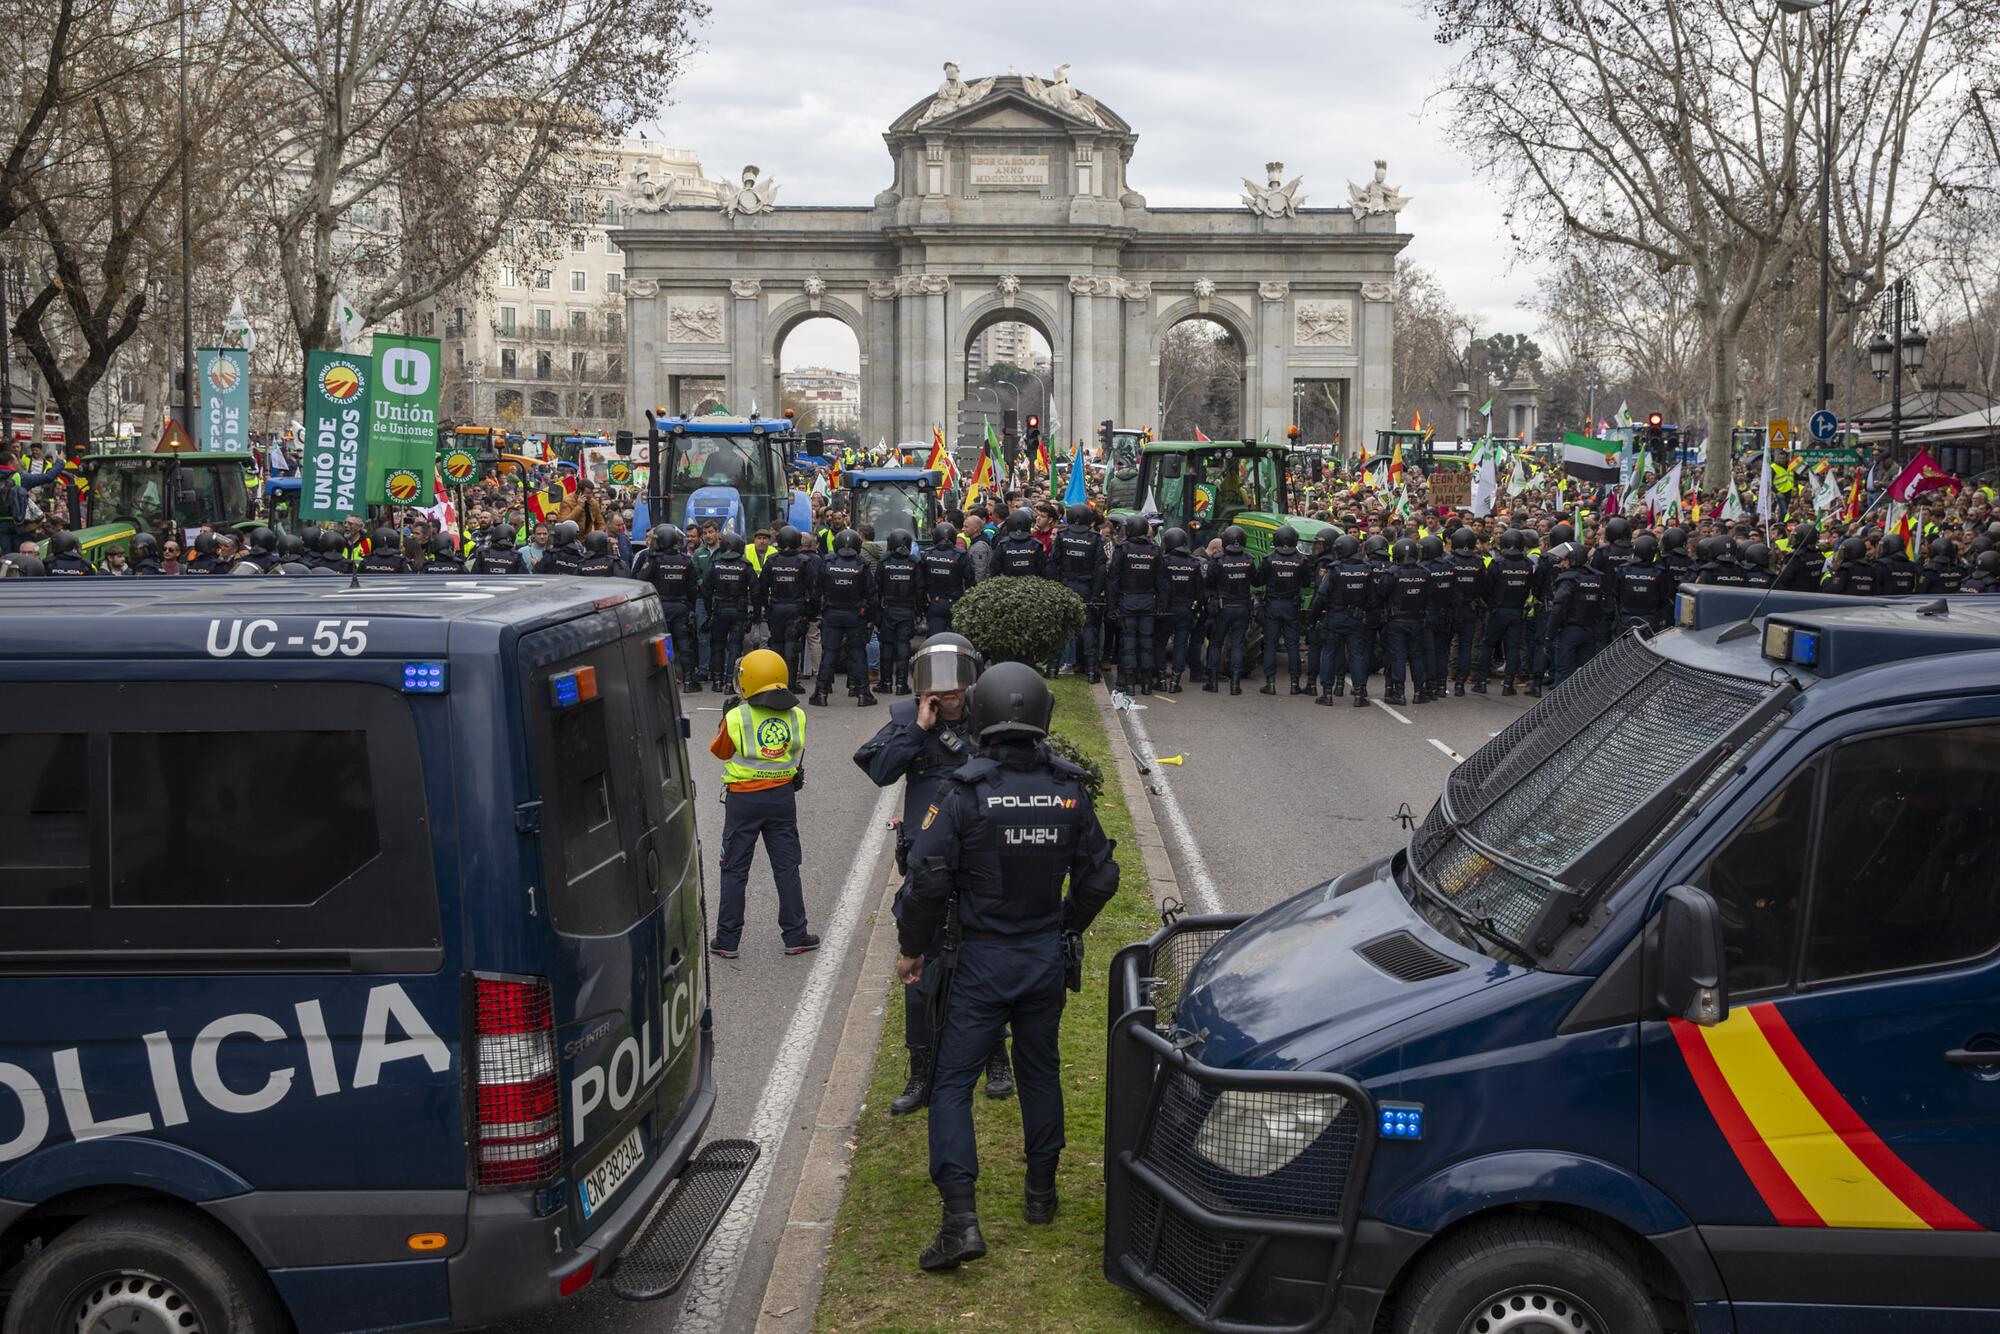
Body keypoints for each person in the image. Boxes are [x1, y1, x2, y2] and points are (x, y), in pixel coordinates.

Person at [899, 661, 1118, 1272]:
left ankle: (960, 1221)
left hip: (980, 962)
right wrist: (1067, 924)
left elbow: (925, 880)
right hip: (1042, 958)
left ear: (982, 715)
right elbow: (1101, 875)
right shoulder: (1070, 788)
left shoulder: (964, 792)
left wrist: (912, 949)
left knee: (950, 1084)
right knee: (1040, 1071)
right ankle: (1040, 1196)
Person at [852, 633, 1012, 1118]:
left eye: (955, 682)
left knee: (986, 964)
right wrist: (918, 730)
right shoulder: (908, 720)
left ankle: (995, 1057)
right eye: (936, 684)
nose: (947, 694)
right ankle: (921, 1068)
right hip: (926, 868)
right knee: (918, 969)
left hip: (981, 864)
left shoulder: (994, 719)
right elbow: (878, 770)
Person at [707, 648, 818, 958]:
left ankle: (727, 941)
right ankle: (795, 935)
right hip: (782, 799)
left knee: (734, 869)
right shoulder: (797, 714)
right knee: (786, 867)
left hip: (743, 801)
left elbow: (721, 751)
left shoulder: (737, 716)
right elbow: (795, 746)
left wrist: (725, 718)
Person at [1306, 533, 1375, 707]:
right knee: (1357, 655)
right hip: (1357, 618)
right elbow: (1373, 597)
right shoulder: (1366, 569)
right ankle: (1359, 695)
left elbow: (1321, 595)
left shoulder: (1334, 569)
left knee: (1328, 653)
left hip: (1335, 617)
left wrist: (1312, 618)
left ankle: (1327, 694)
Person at [632, 525, 702, 691]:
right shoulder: (685, 560)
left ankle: (662, 682)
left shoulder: (653, 560)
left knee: (659, 644)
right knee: (684, 644)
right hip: (680, 607)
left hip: (659, 607)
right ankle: (688, 681)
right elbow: (692, 587)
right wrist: (690, 607)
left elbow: (640, 580)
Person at [814, 531, 876, 707]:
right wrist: (870, 617)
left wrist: (818, 612)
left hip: (832, 613)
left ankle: (821, 693)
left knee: (829, 653)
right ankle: (863, 694)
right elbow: (871, 593)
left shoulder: (827, 562)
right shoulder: (862, 564)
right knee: (857, 653)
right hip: (855, 615)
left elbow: (816, 590)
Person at [1106, 513, 1164, 695]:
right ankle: (1146, 684)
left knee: (1128, 643)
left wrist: (1111, 606)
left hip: (1128, 601)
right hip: (1148, 601)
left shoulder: (1122, 550)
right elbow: (1162, 582)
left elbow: (1113, 580)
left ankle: (1128, 683)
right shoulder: (1154, 550)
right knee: (1146, 643)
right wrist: (1161, 606)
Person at [1047, 505, 1105, 681]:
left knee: (1061, 627)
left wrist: (1055, 586)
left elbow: (1053, 563)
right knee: (1087, 628)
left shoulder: (1063, 537)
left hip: (1065, 586)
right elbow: (1100, 569)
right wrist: (1096, 594)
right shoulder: (1094, 538)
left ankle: (1052, 669)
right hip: (1085, 587)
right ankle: (1091, 671)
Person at [1474, 530, 1535, 695]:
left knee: (1487, 645)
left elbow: (1487, 588)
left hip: (1498, 610)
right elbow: (1530, 586)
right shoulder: (1527, 564)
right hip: (1516, 610)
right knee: (1512, 648)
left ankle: (1480, 682)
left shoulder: (1497, 563)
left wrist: (1491, 604)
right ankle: (1508, 686)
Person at [1256, 525, 1310, 695]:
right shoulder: (1301, 560)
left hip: (1272, 604)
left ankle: (1270, 683)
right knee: (1292, 645)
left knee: (1270, 643)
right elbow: (1307, 583)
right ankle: (1294, 684)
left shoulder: (1269, 559)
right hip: (1291, 606)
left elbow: (1258, 581)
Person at [761, 526, 816, 690]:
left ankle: (776, 681)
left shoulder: (772, 560)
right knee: (792, 645)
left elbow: (762, 587)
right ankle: (791, 683)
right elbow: (813, 588)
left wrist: (766, 607)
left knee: (776, 644)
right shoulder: (804, 561)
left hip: (776, 608)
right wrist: (811, 612)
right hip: (796, 608)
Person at [1204, 525, 1256, 694]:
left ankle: (1212, 682)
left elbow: (1209, 582)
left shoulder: (1218, 561)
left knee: (1216, 643)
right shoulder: (1249, 560)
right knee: (1238, 645)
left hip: (1223, 607)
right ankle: (1235, 685)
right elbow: (1255, 581)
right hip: (1242, 607)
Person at [1379, 539, 1430, 707]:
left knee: (1398, 657)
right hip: (1417, 620)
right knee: (1416, 656)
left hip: (1396, 620)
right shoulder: (1424, 572)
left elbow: (1381, 594)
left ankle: (1399, 693)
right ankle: (1419, 692)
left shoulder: (1392, 573)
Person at [703, 533, 757, 690]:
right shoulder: (745, 566)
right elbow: (756, 590)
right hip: (738, 611)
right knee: (735, 647)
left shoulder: (715, 565)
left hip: (719, 610)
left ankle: (717, 681)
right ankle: (729, 683)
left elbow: (705, 589)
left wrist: (709, 611)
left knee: (717, 645)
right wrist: (754, 612)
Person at [875, 529, 926, 695]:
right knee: (903, 645)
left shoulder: (884, 561)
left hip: (889, 609)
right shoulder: (914, 562)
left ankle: (886, 682)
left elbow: (877, 588)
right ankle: (901, 684)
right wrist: (919, 611)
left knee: (887, 646)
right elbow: (920, 589)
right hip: (907, 609)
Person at [1547, 542, 1607, 685]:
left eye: (1565, 559)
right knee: (1584, 673)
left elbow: (1558, 609)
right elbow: (1601, 606)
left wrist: (1550, 633)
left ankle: (1560, 705)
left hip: (1569, 630)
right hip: (1590, 630)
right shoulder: (1596, 578)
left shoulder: (1568, 580)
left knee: (1563, 671)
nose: (1562, 564)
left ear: (1573, 559)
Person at [1157, 528, 1204, 693]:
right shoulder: (1194, 563)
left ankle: (1162, 680)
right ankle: (1175, 683)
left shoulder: (1164, 561)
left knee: (1160, 643)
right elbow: (1200, 591)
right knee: (1180, 645)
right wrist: (1195, 610)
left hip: (1167, 609)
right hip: (1185, 609)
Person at [991, 508, 1044, 579]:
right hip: (1031, 586)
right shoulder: (1036, 544)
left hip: (1007, 585)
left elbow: (994, 568)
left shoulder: (1002, 545)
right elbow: (1042, 569)